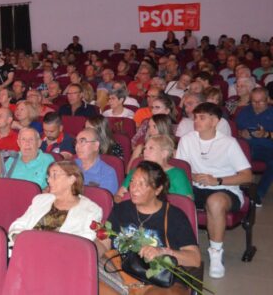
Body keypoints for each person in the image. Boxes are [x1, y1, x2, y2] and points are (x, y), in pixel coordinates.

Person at [97, 161, 201, 292]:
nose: (133, 188)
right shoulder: (121, 209)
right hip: (121, 271)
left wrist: (162, 251)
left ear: (158, 189)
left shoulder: (174, 216)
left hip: (156, 279)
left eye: (142, 184)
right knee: (85, 276)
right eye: (132, 182)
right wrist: (89, 252)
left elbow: (195, 259)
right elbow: (104, 243)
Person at [175, 102, 252, 279]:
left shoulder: (229, 143)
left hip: (225, 189)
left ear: (215, 121)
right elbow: (180, 169)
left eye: (202, 117)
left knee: (215, 201)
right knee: (175, 196)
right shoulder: (187, 140)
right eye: (196, 117)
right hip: (195, 187)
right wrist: (192, 175)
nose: (197, 121)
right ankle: (178, 248)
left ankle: (216, 253)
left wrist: (217, 180)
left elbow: (247, 176)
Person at [8, 161, 101, 249]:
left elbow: (84, 243)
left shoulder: (91, 210)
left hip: (59, 258)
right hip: (25, 249)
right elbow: (18, 225)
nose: (48, 180)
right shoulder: (41, 200)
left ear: (71, 179)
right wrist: (18, 238)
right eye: (48, 176)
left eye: (54, 175)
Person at [235, 88, 273, 202]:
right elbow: (235, 131)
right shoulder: (244, 111)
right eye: (254, 101)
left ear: (268, 100)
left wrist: (266, 134)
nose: (256, 105)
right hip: (244, 147)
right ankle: (235, 192)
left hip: (265, 148)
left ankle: (258, 193)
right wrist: (241, 133)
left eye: (260, 102)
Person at [115, 135, 192, 202]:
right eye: (145, 148)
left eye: (151, 148)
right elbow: (119, 196)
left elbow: (187, 203)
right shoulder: (136, 171)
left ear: (164, 153)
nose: (145, 151)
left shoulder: (177, 174)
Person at [74, 128, 118, 193]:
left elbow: (104, 200)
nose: (77, 146)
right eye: (76, 142)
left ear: (96, 145)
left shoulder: (107, 173)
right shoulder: (70, 166)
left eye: (82, 141)